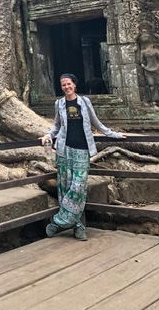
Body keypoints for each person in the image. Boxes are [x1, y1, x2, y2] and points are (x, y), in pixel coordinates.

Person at [40, 73, 126, 241]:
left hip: (82, 150)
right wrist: (48, 135)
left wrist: (113, 134)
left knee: (78, 188)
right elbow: (57, 125)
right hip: (64, 150)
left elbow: (96, 122)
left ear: (75, 85)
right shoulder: (59, 104)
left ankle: (58, 222)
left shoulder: (84, 102)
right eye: (63, 84)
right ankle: (78, 226)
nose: (66, 87)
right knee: (65, 188)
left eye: (69, 84)